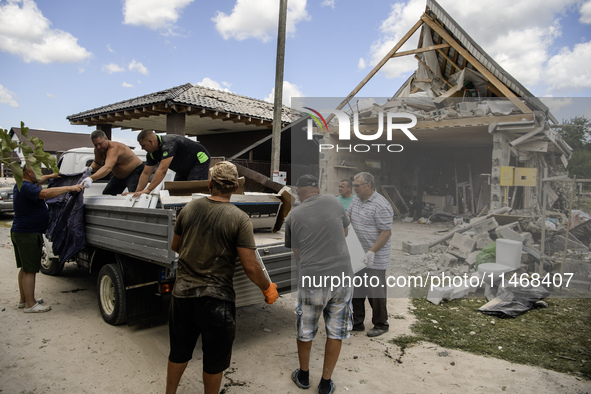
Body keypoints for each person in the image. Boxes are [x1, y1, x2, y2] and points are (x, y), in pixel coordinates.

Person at [166, 161, 278, 394]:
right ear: (236, 187)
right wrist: (267, 288)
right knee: (214, 359)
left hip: (183, 294)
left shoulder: (189, 208)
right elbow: (250, 266)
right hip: (217, 300)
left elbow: (176, 245)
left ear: (210, 184)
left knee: (179, 351)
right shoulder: (239, 219)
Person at [285, 174, 353, 394]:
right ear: (318, 188)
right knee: (335, 331)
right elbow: (344, 232)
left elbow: (297, 255)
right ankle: (325, 383)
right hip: (342, 276)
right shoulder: (334, 201)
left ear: (298, 190)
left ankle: (303, 376)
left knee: (306, 328)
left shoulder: (293, 216)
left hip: (313, 278)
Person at [11, 166, 84, 313]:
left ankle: (24, 299)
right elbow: (44, 193)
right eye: (36, 172)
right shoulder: (27, 187)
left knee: (25, 268)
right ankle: (30, 305)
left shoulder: (21, 184)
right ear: (29, 173)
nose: (39, 175)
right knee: (31, 270)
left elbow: (40, 180)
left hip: (21, 232)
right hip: (28, 233)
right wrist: (69, 187)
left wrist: (53, 176)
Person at [347, 172, 393, 338]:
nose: (354, 188)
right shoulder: (356, 199)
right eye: (354, 185)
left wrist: (372, 251)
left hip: (375, 257)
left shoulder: (381, 205)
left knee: (376, 292)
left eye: (357, 185)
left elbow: (386, 232)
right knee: (357, 290)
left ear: (368, 186)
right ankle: (357, 322)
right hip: (358, 253)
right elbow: (349, 216)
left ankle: (381, 324)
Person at [131, 130, 211, 198]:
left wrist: (148, 190)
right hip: (184, 167)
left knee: (192, 190)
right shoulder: (151, 154)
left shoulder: (168, 143)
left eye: (143, 145)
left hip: (199, 160)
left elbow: (162, 170)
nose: (142, 148)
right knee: (176, 190)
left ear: (151, 141)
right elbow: (146, 173)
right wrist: (138, 192)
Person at [81, 130, 145, 195]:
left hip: (135, 172)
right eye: (95, 145)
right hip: (118, 176)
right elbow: (97, 163)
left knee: (134, 195)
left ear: (106, 139)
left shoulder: (114, 148)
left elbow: (108, 168)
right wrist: (90, 168)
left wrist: (91, 178)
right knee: (107, 194)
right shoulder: (98, 149)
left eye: (100, 143)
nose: (98, 147)